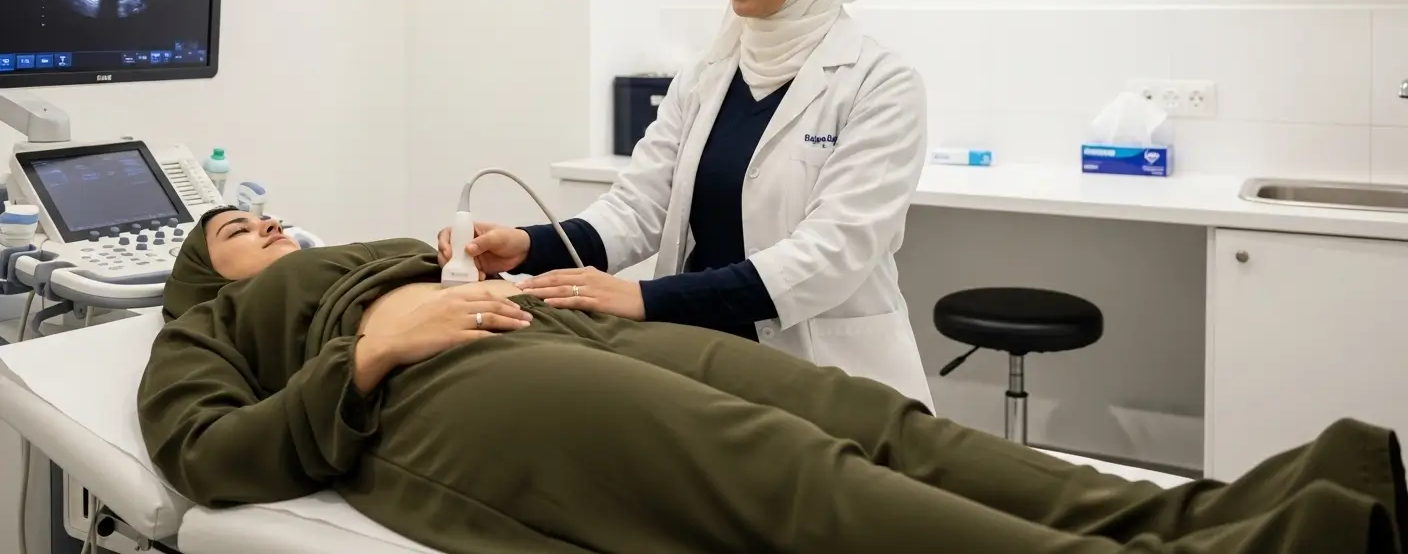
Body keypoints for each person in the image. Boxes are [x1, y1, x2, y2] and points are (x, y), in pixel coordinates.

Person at [138, 208, 1407, 554]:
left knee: (874, 424)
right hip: (435, 398)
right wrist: (373, 347)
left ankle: (1264, 514)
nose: (273, 222)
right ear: (205, 271)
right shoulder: (210, 325)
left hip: (546, 332)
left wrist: (483, 263)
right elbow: (202, 454)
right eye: (242, 224)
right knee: (792, 485)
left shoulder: (351, 249)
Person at [441, 0, 935, 409]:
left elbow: (830, 255)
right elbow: (637, 210)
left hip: (823, 379)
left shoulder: (879, 82)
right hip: (702, 363)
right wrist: (530, 245)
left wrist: (645, 298)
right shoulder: (708, 76)